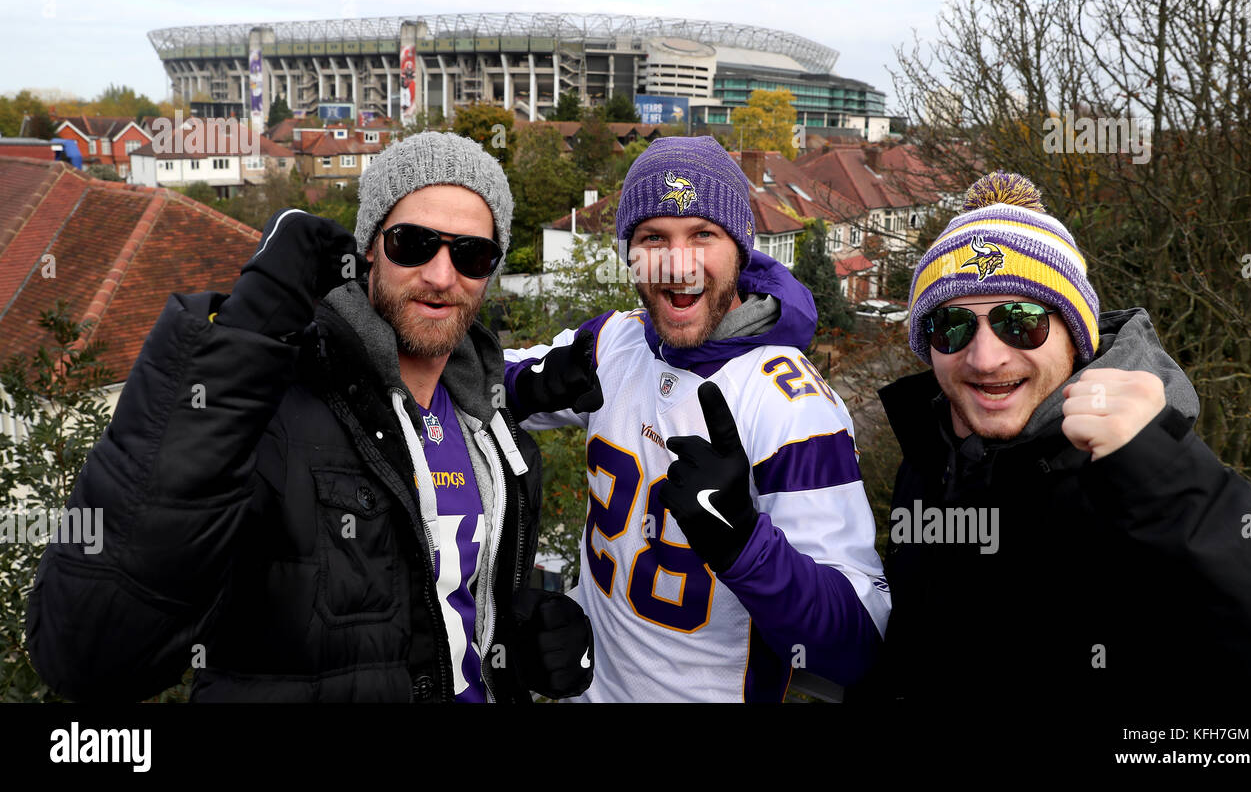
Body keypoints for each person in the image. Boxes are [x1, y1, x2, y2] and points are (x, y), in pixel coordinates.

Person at [26, 131, 593, 702]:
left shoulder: (494, 442)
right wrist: (242, 335)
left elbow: (442, 618)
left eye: (471, 254)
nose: (442, 276)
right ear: (369, 248)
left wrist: (520, 651)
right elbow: (90, 654)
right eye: (413, 244)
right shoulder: (274, 413)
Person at [863, 171, 1251, 701]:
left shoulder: (1141, 480)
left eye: (1020, 321)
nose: (985, 358)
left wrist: (1168, 472)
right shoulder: (932, 461)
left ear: (1077, 336)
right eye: (952, 325)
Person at [502, 135, 890, 702]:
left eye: (702, 235)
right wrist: (528, 386)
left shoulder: (791, 403)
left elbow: (857, 643)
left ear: (740, 248)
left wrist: (746, 548)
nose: (678, 264)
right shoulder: (615, 340)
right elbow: (467, 380)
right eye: (653, 238)